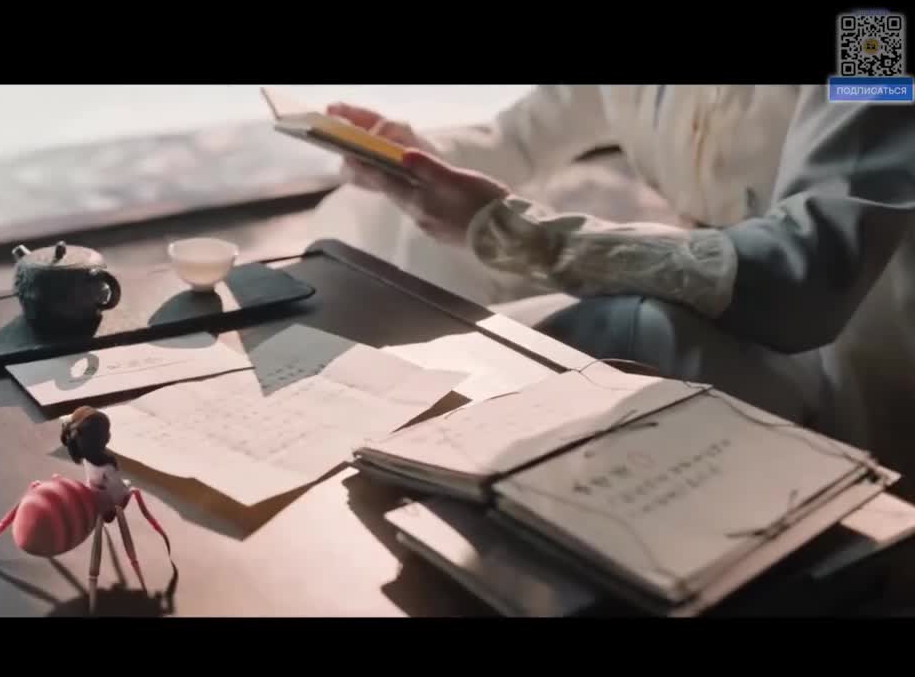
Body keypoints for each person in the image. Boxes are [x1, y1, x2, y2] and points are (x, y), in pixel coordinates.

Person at [327, 85, 915, 468]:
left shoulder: (875, 35)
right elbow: (522, 136)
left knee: (595, 339)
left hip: (843, 358)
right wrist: (410, 156)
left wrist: (519, 233)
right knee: (384, 214)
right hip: (717, 300)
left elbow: (807, 277)